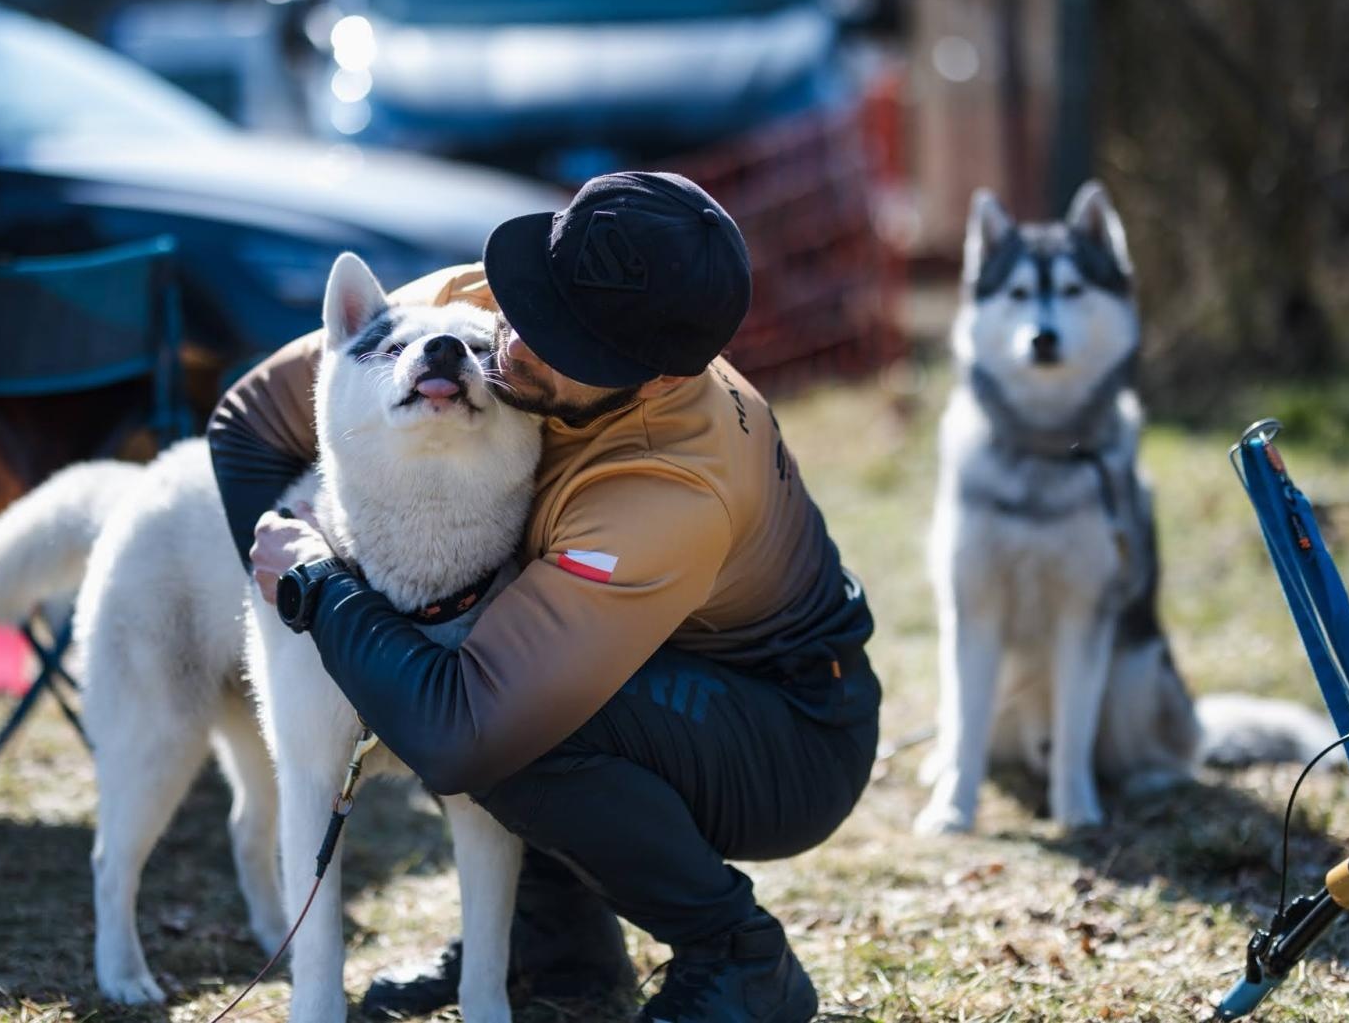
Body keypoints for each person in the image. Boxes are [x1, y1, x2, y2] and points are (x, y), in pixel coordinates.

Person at [213, 171, 880, 1023]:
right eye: (531, 302)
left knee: (503, 715)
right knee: (475, 656)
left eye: (565, 341)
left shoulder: (666, 483)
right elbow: (246, 422)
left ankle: (738, 953)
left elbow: (463, 736)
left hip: (787, 727)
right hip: (631, 657)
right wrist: (278, 562)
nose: (513, 345)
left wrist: (314, 586)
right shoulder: (467, 308)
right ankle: (554, 952)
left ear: (657, 381)